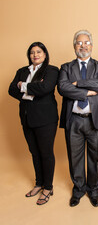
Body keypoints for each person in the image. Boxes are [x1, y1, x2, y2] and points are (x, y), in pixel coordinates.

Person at [58, 30, 98, 207]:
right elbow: (63, 87)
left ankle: (94, 191)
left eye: (86, 42)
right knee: (75, 158)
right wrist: (87, 91)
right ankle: (79, 189)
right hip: (73, 119)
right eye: (79, 43)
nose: (83, 46)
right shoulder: (66, 67)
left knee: (96, 158)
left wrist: (78, 84)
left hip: (95, 119)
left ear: (92, 45)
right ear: (74, 46)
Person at [8, 42, 59, 205]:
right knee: (34, 152)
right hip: (26, 117)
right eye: (32, 52)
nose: (35, 55)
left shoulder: (52, 70)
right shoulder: (22, 71)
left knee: (46, 153)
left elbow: (45, 88)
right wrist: (31, 89)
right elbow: (11, 89)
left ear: (45, 54)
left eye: (39, 51)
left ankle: (48, 187)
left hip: (46, 119)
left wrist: (23, 85)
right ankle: (39, 183)